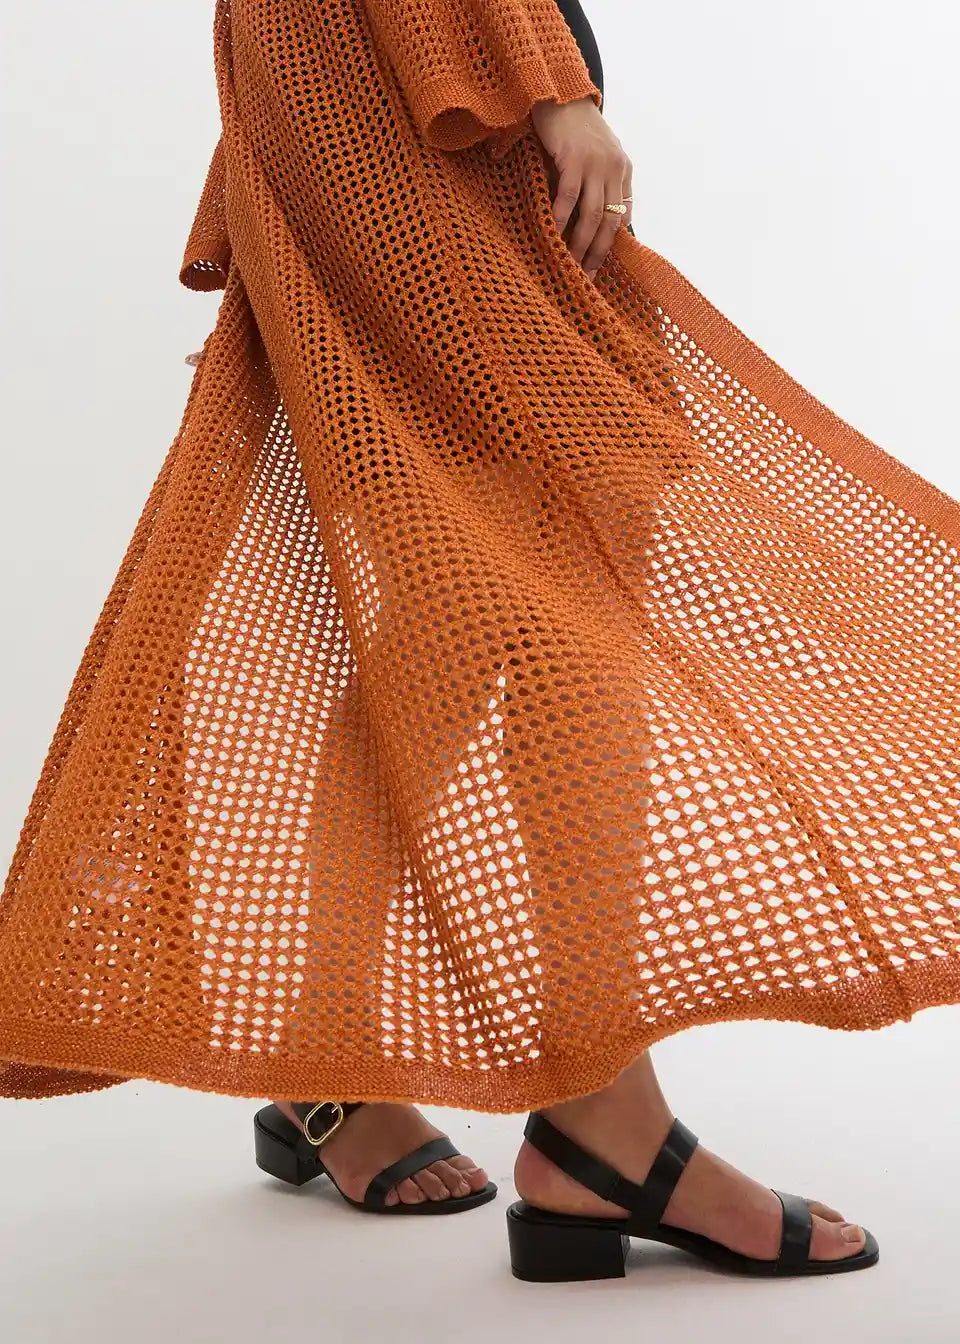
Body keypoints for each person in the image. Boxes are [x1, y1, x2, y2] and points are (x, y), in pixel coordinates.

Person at [2, 0, 957, 1282]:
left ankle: (343, 1053)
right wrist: (542, 78)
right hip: (414, 87)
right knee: (556, 579)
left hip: (385, 80)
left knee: (477, 606)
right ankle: (602, 1123)